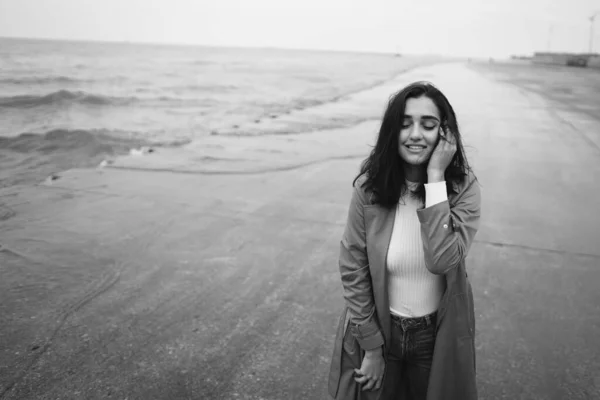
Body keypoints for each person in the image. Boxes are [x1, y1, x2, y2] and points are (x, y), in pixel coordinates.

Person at [328, 81, 481, 400]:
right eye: (405, 124)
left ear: (445, 134)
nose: (415, 134)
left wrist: (436, 177)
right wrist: (371, 347)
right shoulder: (369, 190)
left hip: (435, 336)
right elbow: (353, 269)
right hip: (381, 330)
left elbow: (442, 260)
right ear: (391, 131)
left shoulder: (462, 189)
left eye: (428, 125)